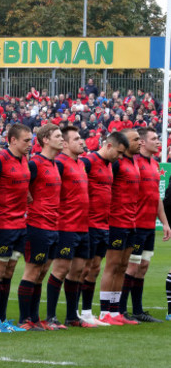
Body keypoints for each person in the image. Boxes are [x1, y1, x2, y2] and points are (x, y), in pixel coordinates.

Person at [44, 126, 93, 329]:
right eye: (77, 138)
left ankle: (72, 316)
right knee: (61, 269)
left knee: (79, 270)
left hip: (83, 226)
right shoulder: (59, 164)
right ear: (64, 143)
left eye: (81, 138)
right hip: (65, 226)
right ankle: (50, 317)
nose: (82, 141)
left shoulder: (81, 164)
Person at [119, 127, 170, 322]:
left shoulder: (155, 165)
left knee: (143, 267)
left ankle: (138, 311)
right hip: (136, 224)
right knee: (131, 268)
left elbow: (156, 197)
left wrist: (164, 222)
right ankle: (121, 311)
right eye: (154, 138)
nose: (158, 142)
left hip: (149, 225)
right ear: (142, 142)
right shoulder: (133, 163)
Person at [78, 132, 128, 326]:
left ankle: (87, 312)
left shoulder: (109, 166)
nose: (120, 157)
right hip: (87, 224)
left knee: (94, 269)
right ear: (108, 146)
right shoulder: (89, 162)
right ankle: (74, 312)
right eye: (119, 152)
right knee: (81, 269)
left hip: (103, 225)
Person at [17, 123, 63, 331]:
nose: (62, 139)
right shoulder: (34, 164)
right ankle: (24, 319)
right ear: (46, 139)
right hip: (37, 225)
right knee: (32, 272)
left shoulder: (55, 164)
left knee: (42, 272)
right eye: (58, 136)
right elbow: (21, 188)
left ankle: (34, 318)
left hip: (53, 225)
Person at [0, 123, 32, 332]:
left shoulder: (25, 159)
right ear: (12, 140)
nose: (30, 144)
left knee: (10, 269)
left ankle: (3, 319)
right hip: (2, 223)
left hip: (20, 223)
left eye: (31, 140)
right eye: (26, 140)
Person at [97, 129, 141, 325]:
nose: (140, 142)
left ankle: (115, 312)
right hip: (116, 222)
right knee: (112, 266)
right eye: (136, 139)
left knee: (123, 267)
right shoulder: (115, 163)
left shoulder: (134, 163)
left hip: (131, 222)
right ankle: (104, 311)